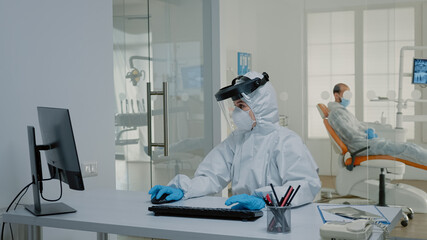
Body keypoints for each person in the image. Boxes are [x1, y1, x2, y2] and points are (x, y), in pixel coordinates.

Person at [149, 71, 321, 210]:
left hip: (279, 218)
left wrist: (265, 198)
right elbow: (211, 175)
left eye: (242, 107)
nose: (236, 113)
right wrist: (183, 189)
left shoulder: (286, 141)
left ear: (261, 106)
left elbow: (305, 185)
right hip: (244, 215)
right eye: (235, 107)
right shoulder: (237, 139)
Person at [328, 83, 427, 167]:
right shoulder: (336, 114)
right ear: (336, 95)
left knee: (409, 146)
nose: (348, 98)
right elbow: (351, 136)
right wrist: (368, 136)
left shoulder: (343, 112)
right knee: (408, 148)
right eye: (345, 94)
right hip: (362, 146)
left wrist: (368, 130)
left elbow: (358, 126)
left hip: (366, 144)